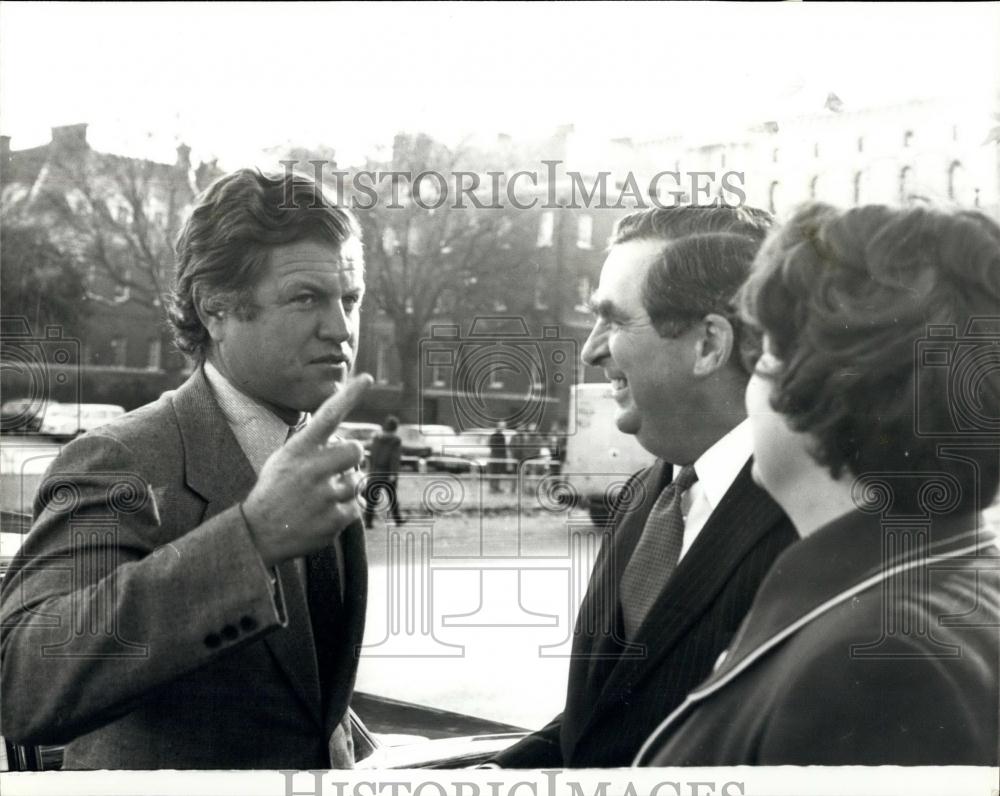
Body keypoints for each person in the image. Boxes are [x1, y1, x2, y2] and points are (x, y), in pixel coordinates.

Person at [0, 169, 373, 769]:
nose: (341, 328)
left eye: (349, 299)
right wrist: (250, 540)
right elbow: (23, 682)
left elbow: (299, 690)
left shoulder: (312, 452)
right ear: (216, 307)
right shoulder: (122, 459)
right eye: (307, 298)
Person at [638, 204, 1000, 766]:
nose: (748, 393)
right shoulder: (939, 590)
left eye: (764, 356)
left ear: (821, 388)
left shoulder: (880, 660)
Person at [491, 205, 798, 768]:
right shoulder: (646, 493)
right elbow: (605, 721)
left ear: (708, 344)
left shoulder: (809, 519)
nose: (591, 349)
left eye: (613, 320)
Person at [363, 415, 404, 528]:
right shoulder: (395, 441)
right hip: (387, 472)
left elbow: (372, 455)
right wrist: (393, 473)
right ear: (395, 428)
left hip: (375, 472)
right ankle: (398, 520)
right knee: (392, 498)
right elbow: (394, 458)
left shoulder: (376, 438)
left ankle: (368, 522)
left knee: (371, 498)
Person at [487, 421, 509, 494]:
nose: (503, 428)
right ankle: (492, 487)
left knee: (497, 472)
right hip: (495, 456)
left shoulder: (502, 436)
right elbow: (492, 445)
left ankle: (496, 487)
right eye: (502, 426)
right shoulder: (494, 435)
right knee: (493, 472)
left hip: (499, 456)